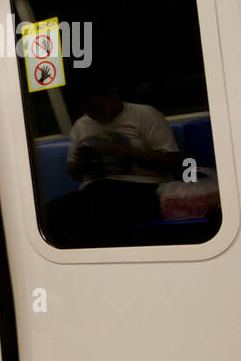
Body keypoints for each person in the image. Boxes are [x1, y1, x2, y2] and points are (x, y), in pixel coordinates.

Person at [47, 79, 180, 247]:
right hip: (95, 191)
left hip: (143, 188)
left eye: (96, 108)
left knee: (100, 210)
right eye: (87, 111)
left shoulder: (144, 115)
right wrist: (79, 162)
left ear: (112, 94)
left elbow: (173, 163)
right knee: (50, 214)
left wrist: (120, 151)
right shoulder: (81, 125)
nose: (93, 116)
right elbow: (74, 174)